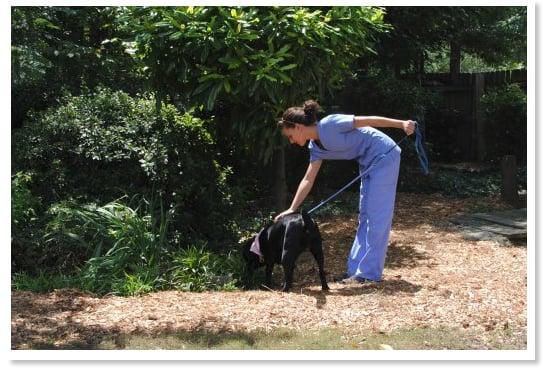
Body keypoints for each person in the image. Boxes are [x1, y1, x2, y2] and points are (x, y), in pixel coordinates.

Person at [274, 100, 415, 284]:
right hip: (367, 162)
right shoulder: (315, 148)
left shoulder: (330, 124)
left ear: (298, 127)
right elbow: (308, 179)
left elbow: (368, 120)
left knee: (377, 217)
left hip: (384, 155)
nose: (291, 141)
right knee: (365, 216)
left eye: (290, 136)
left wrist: (402, 124)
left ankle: (369, 274)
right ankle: (355, 271)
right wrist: (292, 209)